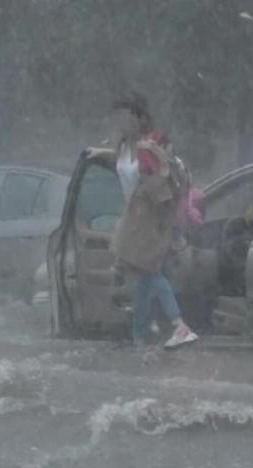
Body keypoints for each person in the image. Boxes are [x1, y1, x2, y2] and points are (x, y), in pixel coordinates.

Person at [84, 92, 199, 350]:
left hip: (148, 218)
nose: (119, 122)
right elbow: (122, 165)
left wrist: (166, 225)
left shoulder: (149, 148)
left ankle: (179, 326)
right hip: (135, 217)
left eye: (124, 116)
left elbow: (160, 186)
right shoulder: (125, 147)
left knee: (148, 272)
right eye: (117, 117)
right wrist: (98, 153)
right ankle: (139, 340)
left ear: (138, 118)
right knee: (144, 281)